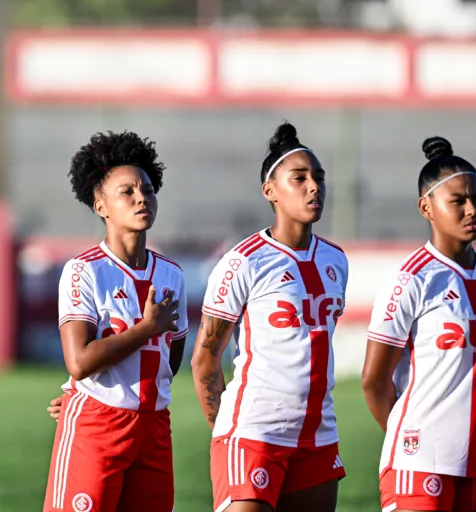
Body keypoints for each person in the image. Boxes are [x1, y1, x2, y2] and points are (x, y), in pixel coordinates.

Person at [191, 122, 347, 512]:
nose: (314, 186)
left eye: (319, 178)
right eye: (300, 178)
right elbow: (205, 359)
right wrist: (227, 431)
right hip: (254, 434)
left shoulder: (336, 260)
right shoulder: (243, 262)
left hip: (318, 436)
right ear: (270, 191)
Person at [42, 131, 188, 512]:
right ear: (100, 205)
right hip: (98, 427)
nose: (142, 197)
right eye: (127, 191)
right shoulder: (83, 270)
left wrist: (128, 386)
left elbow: (169, 362)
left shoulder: (172, 274)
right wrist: (144, 330)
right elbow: (79, 362)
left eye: (149, 188)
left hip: (155, 427)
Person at [361, 137, 476, 512]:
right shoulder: (411, 280)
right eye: (458, 201)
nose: (473, 209)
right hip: (421, 464)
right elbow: (374, 381)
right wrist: (410, 438)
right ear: (427, 207)